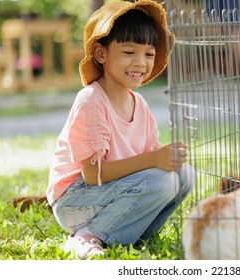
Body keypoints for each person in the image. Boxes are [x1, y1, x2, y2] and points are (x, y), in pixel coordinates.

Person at [46, 0, 195, 259]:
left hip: (111, 191)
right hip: (75, 199)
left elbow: (149, 164)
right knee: (162, 182)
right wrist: (154, 159)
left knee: (183, 175)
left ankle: (128, 235)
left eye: (149, 54)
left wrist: (166, 157)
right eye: (129, 52)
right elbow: (93, 174)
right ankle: (86, 236)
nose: (140, 62)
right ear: (101, 54)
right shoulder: (91, 99)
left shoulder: (140, 104)